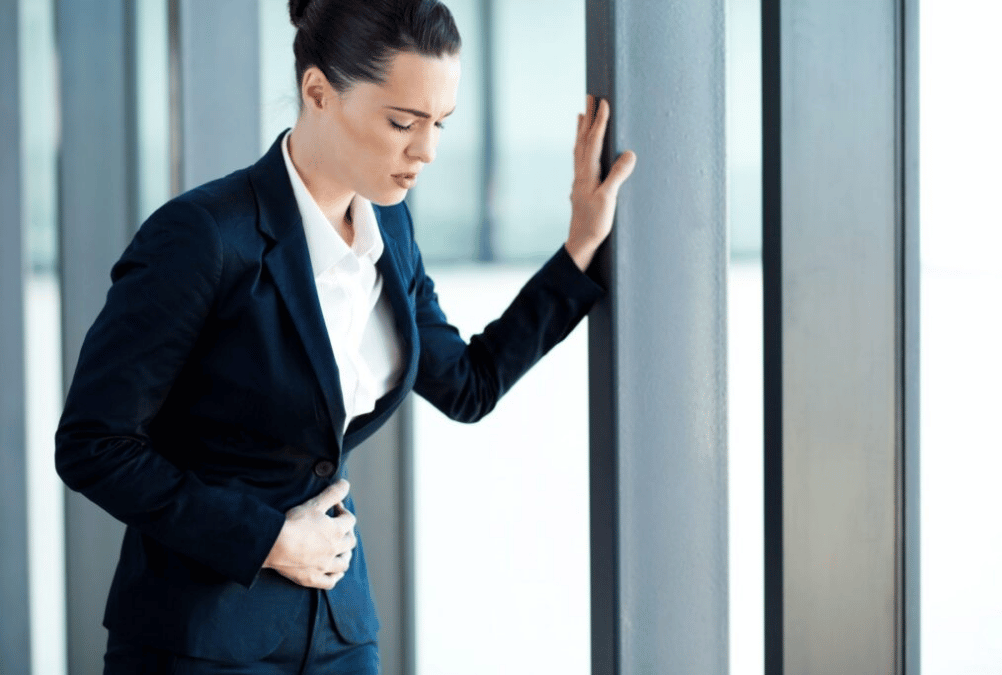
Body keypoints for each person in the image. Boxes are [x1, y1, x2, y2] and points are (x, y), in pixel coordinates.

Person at [54, 0, 637, 671]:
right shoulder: (203, 237)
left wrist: (580, 246)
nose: (427, 150)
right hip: (199, 634)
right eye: (402, 121)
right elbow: (92, 443)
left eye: (440, 123)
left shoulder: (391, 230)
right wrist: (268, 537)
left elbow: (467, 385)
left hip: (338, 630)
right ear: (318, 93)